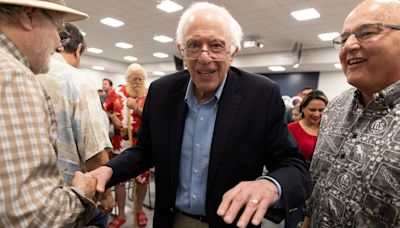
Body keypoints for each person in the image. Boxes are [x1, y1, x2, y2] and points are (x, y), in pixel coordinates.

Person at [89, 2, 311, 228]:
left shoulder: (261, 95)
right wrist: (109, 169)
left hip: (230, 223)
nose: (205, 58)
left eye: (216, 45)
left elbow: (294, 166)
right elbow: (146, 151)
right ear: (182, 51)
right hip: (171, 220)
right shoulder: (161, 92)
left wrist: (270, 184)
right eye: (194, 46)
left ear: (232, 52)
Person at [302, 0, 400, 227]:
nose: (348, 46)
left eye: (366, 33)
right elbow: (317, 185)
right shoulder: (335, 107)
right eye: (344, 39)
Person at [0, 0, 98, 227]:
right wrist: (81, 193)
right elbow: (33, 215)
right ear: (28, 15)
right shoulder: (14, 77)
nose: (60, 46)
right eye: (58, 29)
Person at [39, 22, 114, 227]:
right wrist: (106, 195)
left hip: (31, 202)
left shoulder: (24, 71)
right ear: (78, 49)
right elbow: (96, 155)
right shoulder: (78, 81)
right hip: (71, 200)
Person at [104, 63, 150, 228]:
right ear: (127, 79)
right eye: (134, 78)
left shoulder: (150, 94)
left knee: (142, 181)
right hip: (119, 144)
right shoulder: (116, 92)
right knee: (120, 181)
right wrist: (110, 117)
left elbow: (155, 118)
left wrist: (137, 109)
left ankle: (139, 210)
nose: (137, 82)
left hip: (142, 145)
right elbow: (104, 109)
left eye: (140, 79)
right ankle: (121, 214)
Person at [285, 90, 328, 228]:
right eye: (312, 109)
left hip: (319, 192)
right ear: (303, 108)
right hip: (295, 189)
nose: (317, 114)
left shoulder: (329, 131)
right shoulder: (290, 129)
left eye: (321, 110)